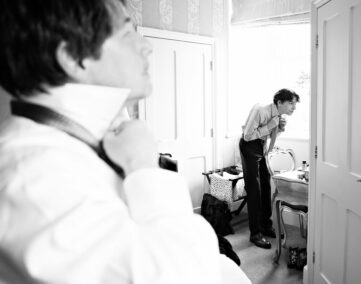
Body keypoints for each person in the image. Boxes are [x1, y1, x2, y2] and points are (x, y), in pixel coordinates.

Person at [0, 0, 251, 283]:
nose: (147, 47)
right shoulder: (33, 178)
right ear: (72, 57)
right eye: (127, 33)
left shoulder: (82, 138)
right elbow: (180, 275)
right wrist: (144, 168)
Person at [239, 89, 299, 249]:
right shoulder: (261, 111)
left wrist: (278, 130)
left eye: (295, 104)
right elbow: (247, 136)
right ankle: (255, 234)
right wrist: (271, 126)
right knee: (254, 190)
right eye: (291, 103)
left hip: (261, 148)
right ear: (279, 102)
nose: (294, 107)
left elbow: (269, 140)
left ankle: (265, 226)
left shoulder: (278, 116)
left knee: (266, 187)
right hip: (249, 146)